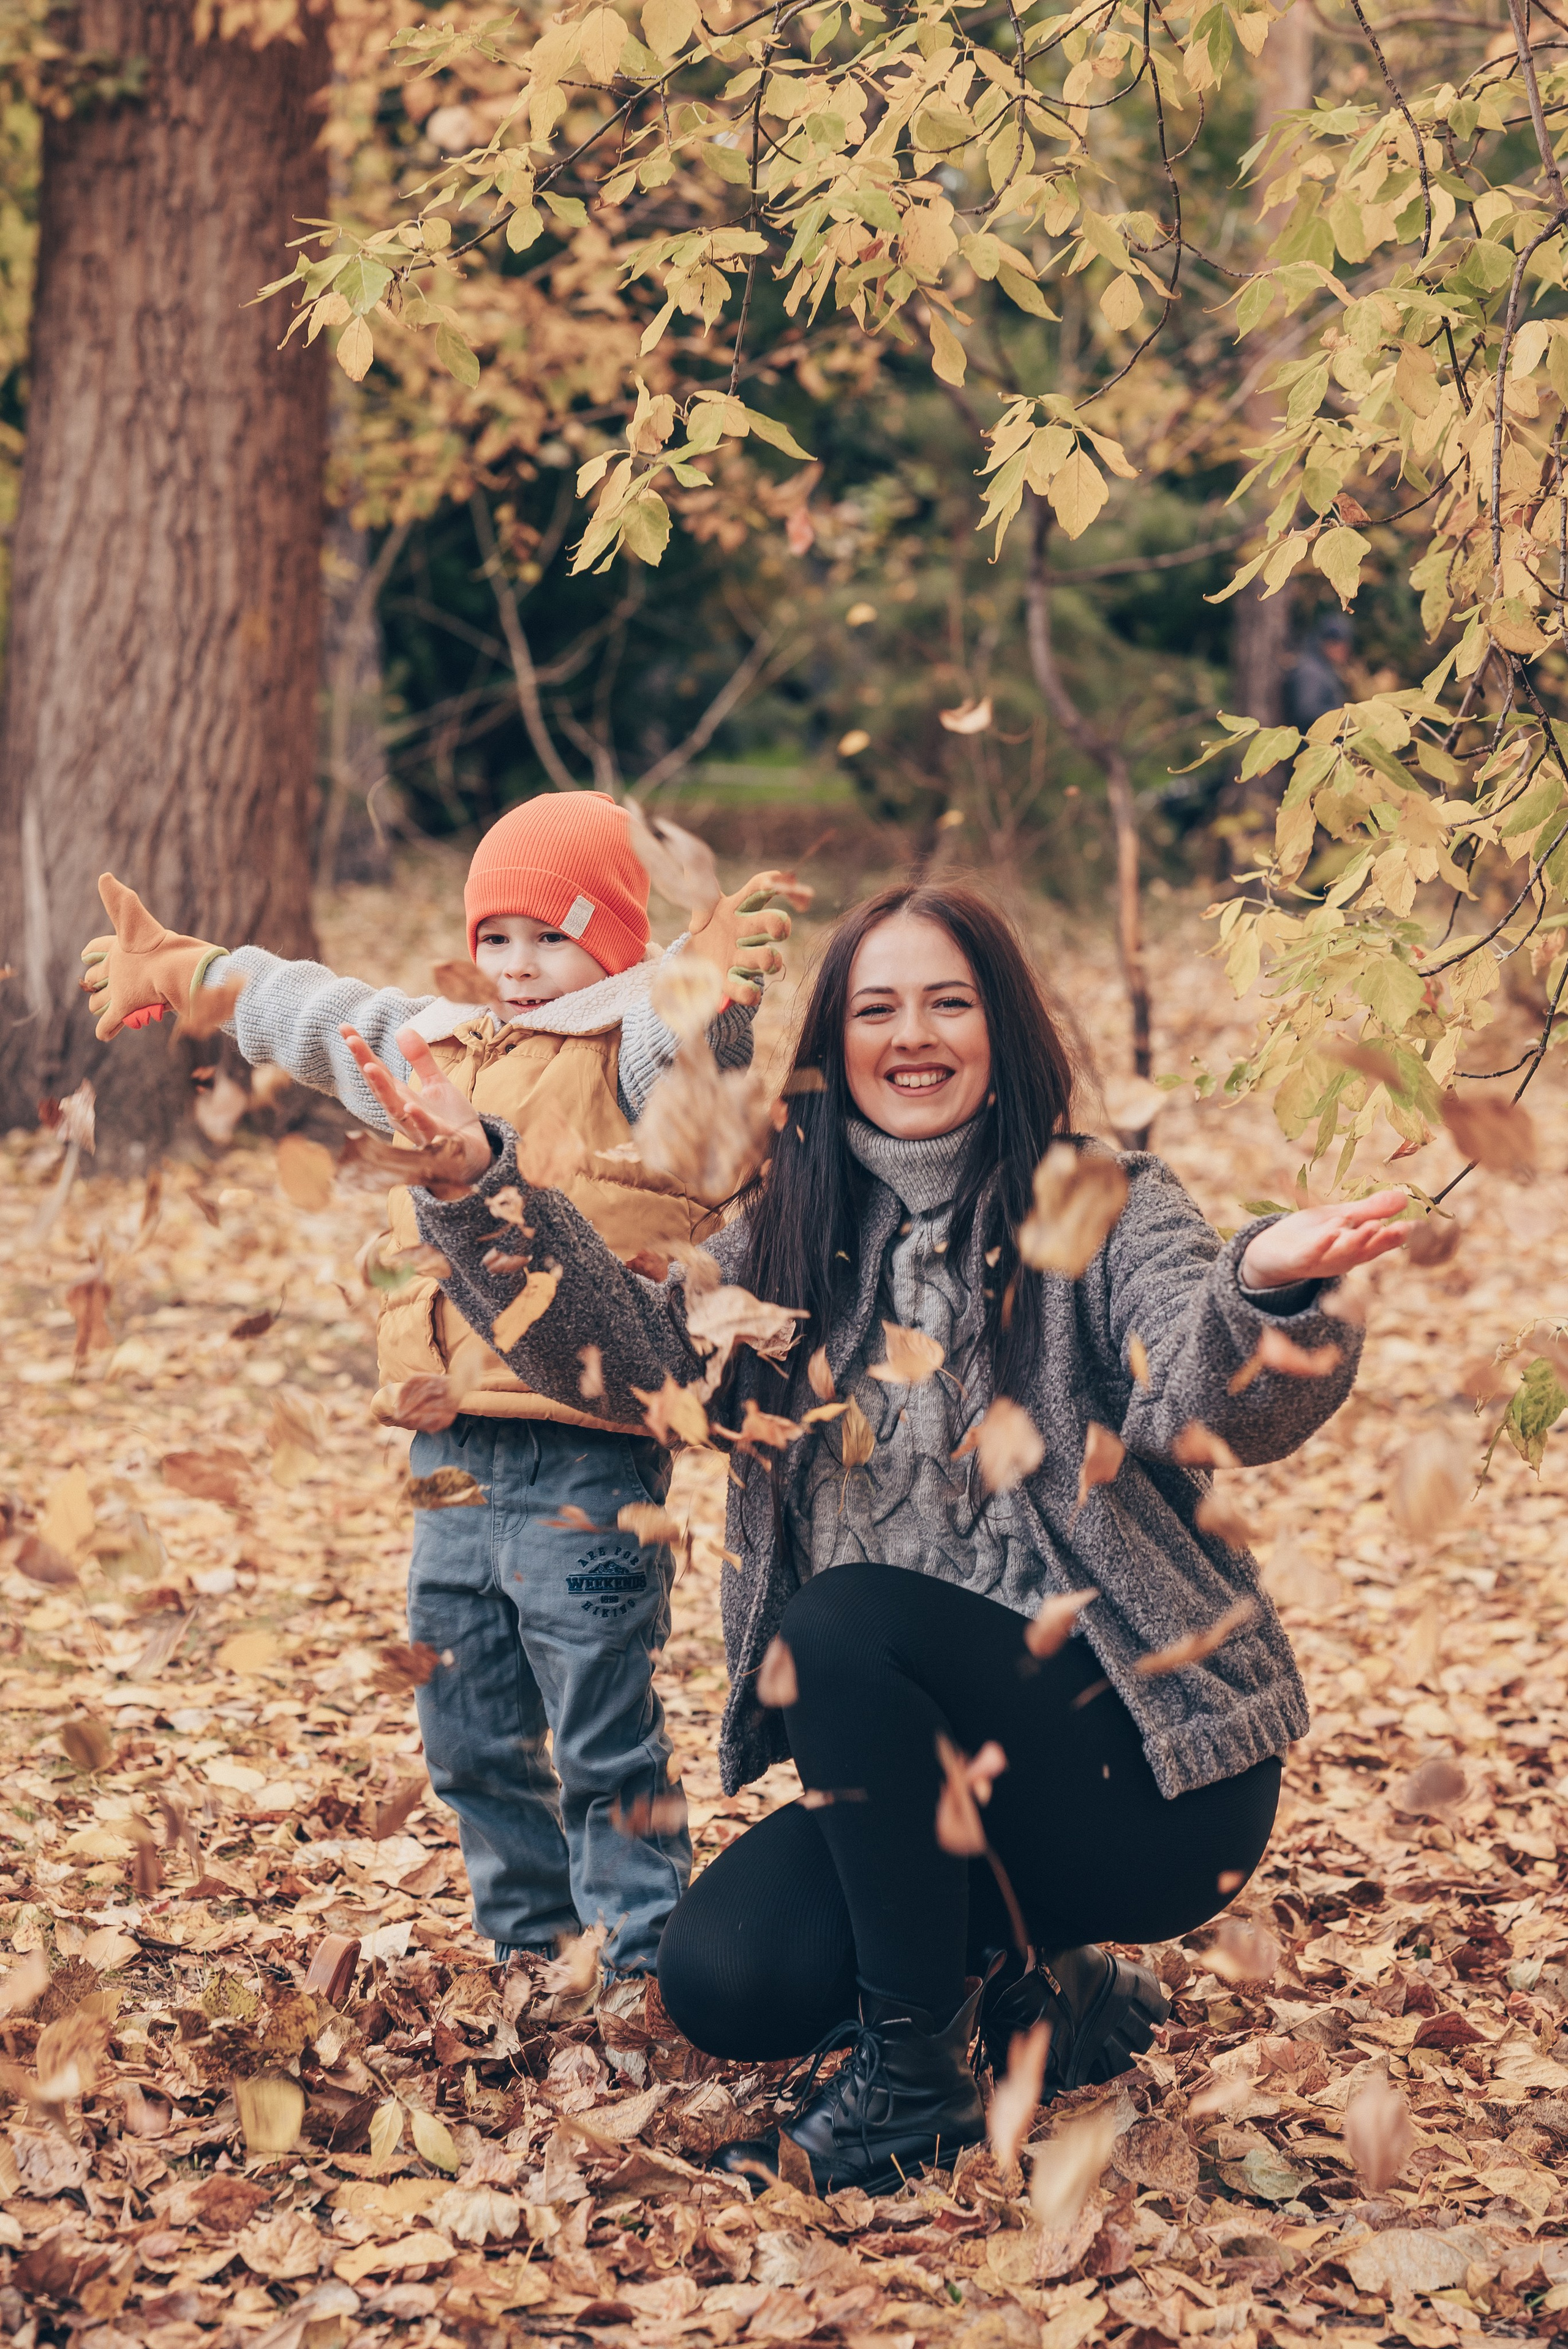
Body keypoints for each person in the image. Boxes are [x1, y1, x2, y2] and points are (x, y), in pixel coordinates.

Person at [337, 881, 1408, 2193]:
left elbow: (1207, 1401)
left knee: (841, 1621)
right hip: (933, 1785)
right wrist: (478, 1191)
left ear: (1001, 1028)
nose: (912, 1036)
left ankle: (912, 2084)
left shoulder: (1106, 1204)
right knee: (724, 1979)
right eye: (875, 1008)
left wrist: (1263, 1289)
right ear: (831, 1042)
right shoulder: (787, 1236)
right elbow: (631, 1364)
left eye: (948, 1004)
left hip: (1146, 1775)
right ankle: (1039, 1992)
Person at [78, 791, 795, 1983]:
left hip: (587, 1455)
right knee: (468, 1733)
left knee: (602, 1733)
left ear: (614, 943)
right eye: (495, 936)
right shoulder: (439, 1048)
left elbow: (686, 1058)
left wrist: (701, 989)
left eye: (551, 936)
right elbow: (319, 1016)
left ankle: (641, 1964)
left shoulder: (625, 1051)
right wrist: (195, 971)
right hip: (449, 1461)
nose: (517, 965)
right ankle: (528, 1953)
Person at [1283, 612, 1355, 734]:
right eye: (1336, 643)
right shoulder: (1310, 672)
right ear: (1324, 642)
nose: (1344, 649)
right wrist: (1345, 718)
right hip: (1307, 741)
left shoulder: (1323, 667)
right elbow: (1307, 711)